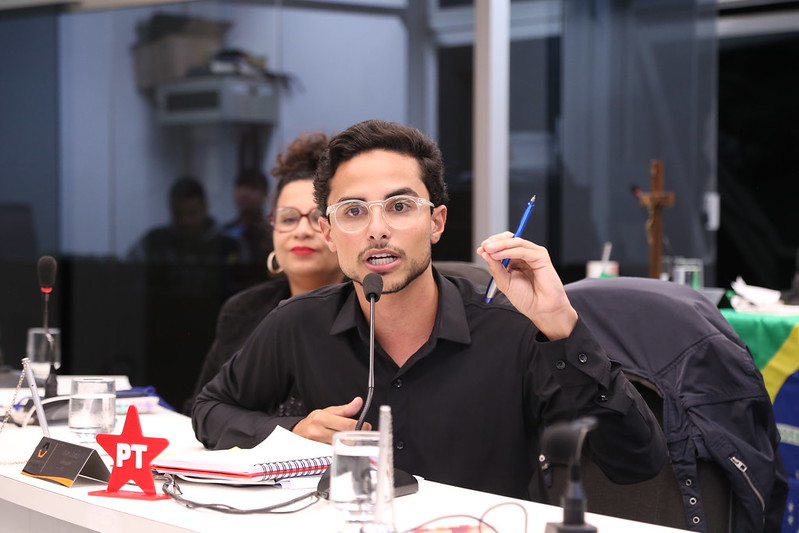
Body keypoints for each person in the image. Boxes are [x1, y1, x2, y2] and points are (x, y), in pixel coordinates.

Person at [192, 119, 667, 501]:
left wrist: (563, 326)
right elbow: (209, 410)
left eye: (399, 206)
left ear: (436, 222)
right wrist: (293, 431)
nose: (377, 229)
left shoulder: (514, 332)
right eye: (353, 211)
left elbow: (636, 462)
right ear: (329, 232)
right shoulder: (298, 322)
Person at [186, 133, 345, 414]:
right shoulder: (243, 311)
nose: (301, 231)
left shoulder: (372, 313)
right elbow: (201, 411)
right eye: (288, 218)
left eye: (317, 218)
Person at [128, 176, 241, 265]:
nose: (185, 221)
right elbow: (128, 274)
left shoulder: (230, 247)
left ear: (205, 208)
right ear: (171, 210)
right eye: (178, 214)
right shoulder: (153, 243)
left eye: (192, 213)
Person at [220, 168, 273, 266]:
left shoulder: (269, 235)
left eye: (253, 188)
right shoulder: (224, 231)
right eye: (241, 187)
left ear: (265, 195)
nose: (245, 194)